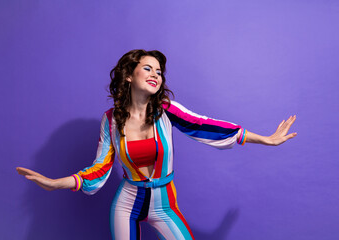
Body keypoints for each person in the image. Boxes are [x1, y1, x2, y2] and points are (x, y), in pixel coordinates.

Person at [17, 49, 297, 240]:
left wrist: (265, 139)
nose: (155, 74)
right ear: (129, 75)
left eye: (159, 72)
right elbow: (100, 168)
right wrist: (56, 183)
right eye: (147, 68)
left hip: (164, 203)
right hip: (126, 203)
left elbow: (205, 126)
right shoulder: (111, 120)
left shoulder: (166, 109)